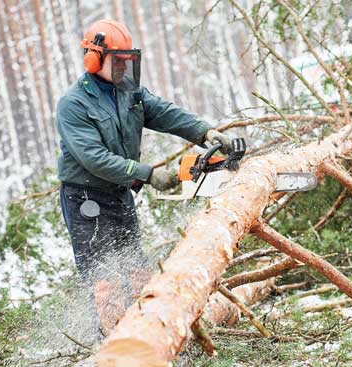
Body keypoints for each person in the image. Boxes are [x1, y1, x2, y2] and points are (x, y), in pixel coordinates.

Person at [56, 19, 232, 334]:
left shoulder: (128, 90)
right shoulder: (73, 104)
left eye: (129, 58)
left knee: (137, 271)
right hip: (86, 199)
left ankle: (148, 336)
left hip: (119, 192)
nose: (126, 65)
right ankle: (114, 347)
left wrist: (205, 131)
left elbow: (163, 112)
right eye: (119, 60)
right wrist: (147, 174)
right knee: (105, 280)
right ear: (94, 59)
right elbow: (93, 158)